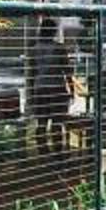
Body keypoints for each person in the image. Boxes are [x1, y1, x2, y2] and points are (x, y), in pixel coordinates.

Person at [27, 18, 73, 152]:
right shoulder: (59, 48)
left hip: (40, 89)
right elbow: (67, 71)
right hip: (56, 89)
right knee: (57, 123)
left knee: (41, 123)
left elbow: (32, 73)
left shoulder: (34, 49)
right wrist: (71, 89)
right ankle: (57, 151)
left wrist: (32, 93)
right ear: (53, 31)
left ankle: (43, 151)